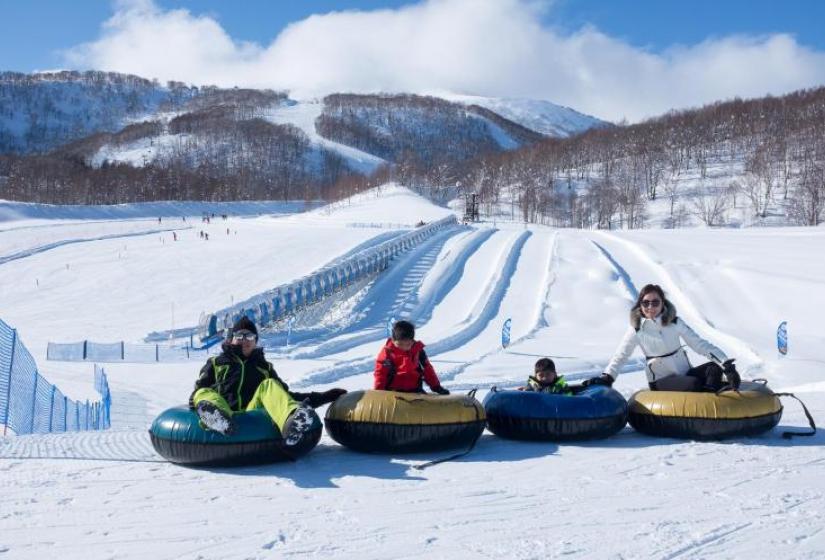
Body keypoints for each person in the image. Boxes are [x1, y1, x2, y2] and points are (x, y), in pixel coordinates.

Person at [190, 316, 346, 445]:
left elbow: (284, 397)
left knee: (269, 384)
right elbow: (198, 393)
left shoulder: (264, 367)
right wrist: (198, 402)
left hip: (252, 415)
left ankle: (291, 423)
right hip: (224, 412)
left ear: (256, 341)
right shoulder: (217, 363)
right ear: (231, 339)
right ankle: (217, 418)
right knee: (203, 391)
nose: (245, 340)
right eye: (240, 336)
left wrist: (324, 397)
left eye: (249, 336)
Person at [584, 284, 740, 392]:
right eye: (645, 303)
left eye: (655, 302)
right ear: (640, 305)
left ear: (662, 304)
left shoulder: (675, 323)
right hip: (661, 380)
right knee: (693, 384)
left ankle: (715, 404)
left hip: (684, 373)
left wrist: (726, 365)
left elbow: (700, 345)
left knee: (714, 368)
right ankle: (707, 395)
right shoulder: (637, 328)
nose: (650, 307)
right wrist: (608, 377)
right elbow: (621, 356)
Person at [374, 320, 449, 394]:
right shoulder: (388, 353)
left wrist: (436, 387)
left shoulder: (418, 351)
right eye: (400, 344)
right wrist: (379, 392)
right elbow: (381, 373)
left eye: (408, 344)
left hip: (414, 390)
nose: (404, 347)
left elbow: (427, 370)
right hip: (393, 391)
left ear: (412, 341)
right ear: (393, 341)